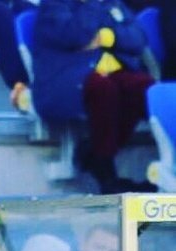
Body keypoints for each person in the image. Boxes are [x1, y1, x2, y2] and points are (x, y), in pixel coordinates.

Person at [32, 0, 155, 193]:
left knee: (143, 87)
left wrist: (110, 37)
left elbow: (138, 39)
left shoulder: (111, 3)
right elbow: (76, 36)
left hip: (112, 72)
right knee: (103, 87)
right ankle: (106, 174)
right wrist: (91, 4)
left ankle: (93, 152)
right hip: (66, 81)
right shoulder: (55, 5)